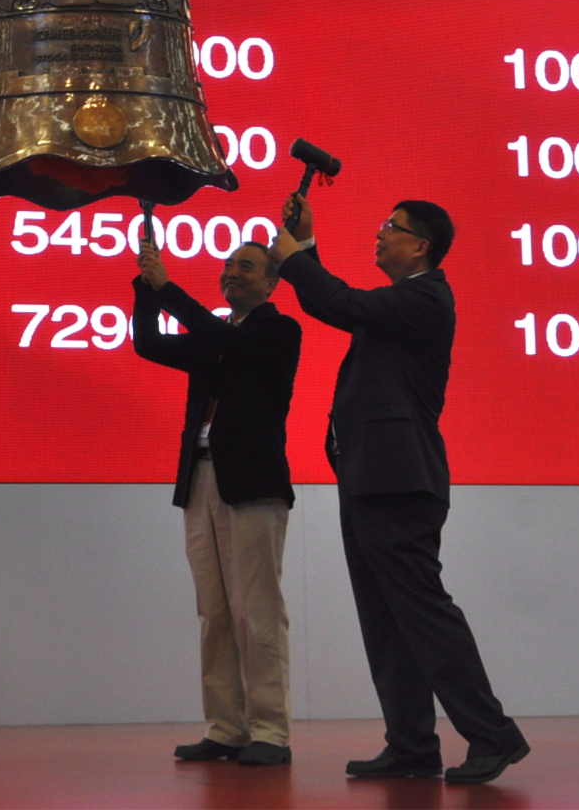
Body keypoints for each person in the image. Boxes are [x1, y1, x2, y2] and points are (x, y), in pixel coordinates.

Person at [269, 195, 528, 786]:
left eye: (393, 227)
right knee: (386, 619)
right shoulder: (398, 304)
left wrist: (294, 257)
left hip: (399, 481)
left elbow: (339, 302)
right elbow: (338, 304)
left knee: (422, 612)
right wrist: (305, 245)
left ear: (421, 246)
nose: (380, 234)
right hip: (370, 477)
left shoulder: (426, 297)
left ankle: (493, 735)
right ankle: (411, 744)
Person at [132, 232, 303, 767]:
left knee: (256, 609)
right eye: (229, 265)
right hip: (200, 480)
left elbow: (229, 341)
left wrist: (169, 288)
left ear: (271, 284)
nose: (232, 272)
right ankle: (227, 727)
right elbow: (148, 344)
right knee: (214, 611)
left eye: (246, 267)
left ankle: (270, 731)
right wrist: (146, 286)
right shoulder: (216, 334)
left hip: (251, 484)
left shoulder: (279, 331)